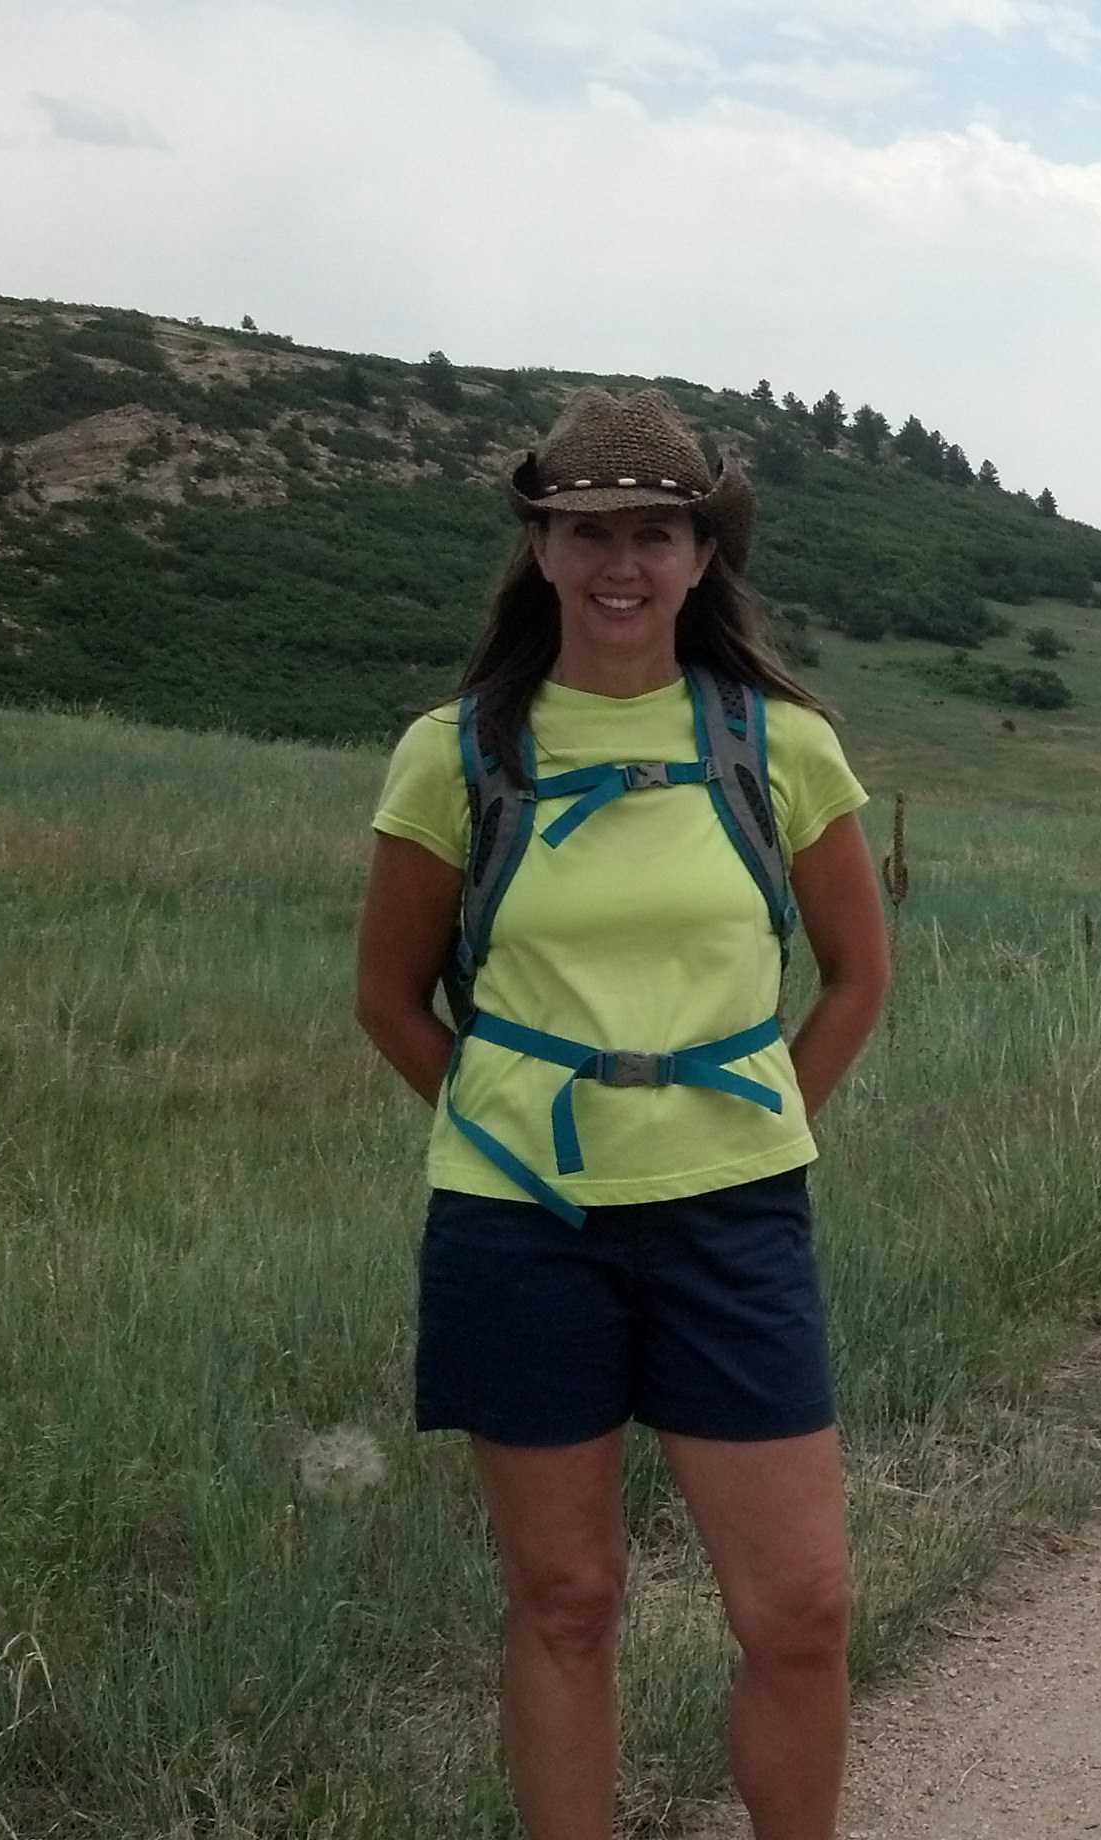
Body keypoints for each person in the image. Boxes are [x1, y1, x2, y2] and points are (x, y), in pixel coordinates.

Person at [354, 387, 889, 1840]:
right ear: (539, 547)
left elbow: (857, 977)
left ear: (704, 556)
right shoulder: (455, 751)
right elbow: (390, 1000)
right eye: (589, 530)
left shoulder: (782, 745)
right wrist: (505, 1126)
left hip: (735, 1218)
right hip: (518, 1227)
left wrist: (762, 1118)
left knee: (801, 1611)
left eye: (656, 531)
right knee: (567, 1600)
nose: (622, 562)